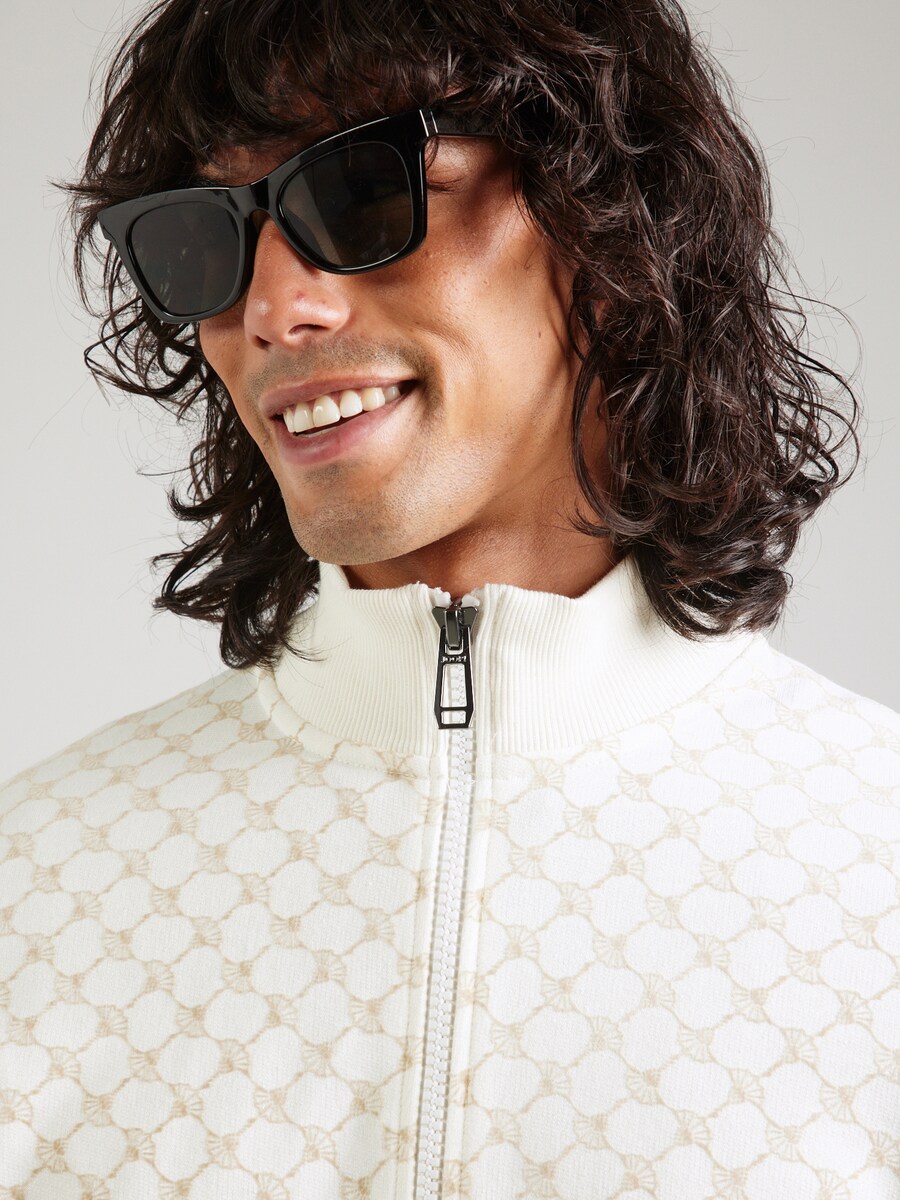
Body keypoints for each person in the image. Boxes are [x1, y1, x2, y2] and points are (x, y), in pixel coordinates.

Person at [1, 0, 898, 1194]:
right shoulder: (35, 888)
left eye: (359, 191)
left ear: (613, 215)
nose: (273, 311)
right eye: (203, 237)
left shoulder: (873, 870)